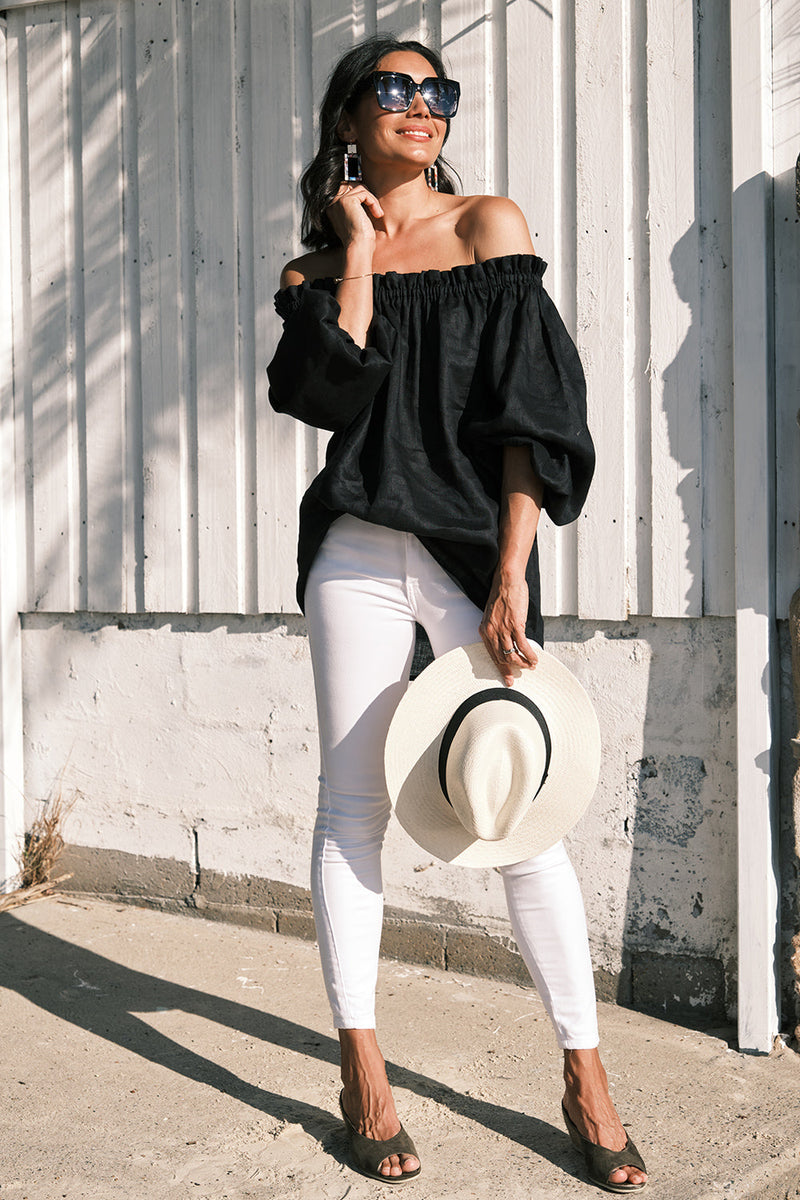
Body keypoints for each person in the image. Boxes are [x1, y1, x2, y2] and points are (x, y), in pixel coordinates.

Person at [267, 33, 648, 1193]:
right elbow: (328, 392)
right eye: (395, 88)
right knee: (350, 806)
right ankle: (361, 1067)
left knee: (521, 813)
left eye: (438, 91)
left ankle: (583, 1071)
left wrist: (512, 571)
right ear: (350, 117)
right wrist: (357, 252)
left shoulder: (492, 225)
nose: (422, 105)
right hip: (352, 546)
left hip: (470, 553)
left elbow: (529, 413)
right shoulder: (316, 269)